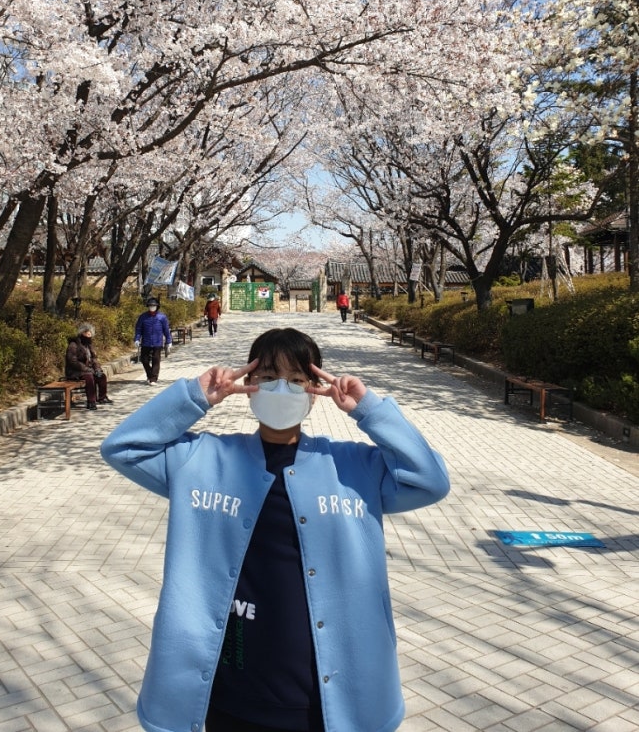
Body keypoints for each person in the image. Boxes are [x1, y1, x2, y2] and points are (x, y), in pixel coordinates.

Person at [101, 326, 449, 732]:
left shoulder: (355, 467)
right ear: (247, 386)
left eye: (297, 380)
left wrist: (368, 410)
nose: (281, 389)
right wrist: (195, 397)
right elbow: (122, 447)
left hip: (324, 698)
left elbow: (430, 480)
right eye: (267, 378)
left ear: (315, 391)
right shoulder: (202, 459)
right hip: (229, 687)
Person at [64, 323, 111, 410]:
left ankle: (102, 397)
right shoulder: (73, 345)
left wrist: (97, 369)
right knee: (89, 377)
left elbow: (94, 359)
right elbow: (73, 362)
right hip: (75, 371)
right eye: (87, 333)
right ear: (82, 333)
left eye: (90, 333)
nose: (89, 335)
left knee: (101, 376)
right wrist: (87, 369)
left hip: (87, 370)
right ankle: (91, 401)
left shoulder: (89, 345)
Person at [134, 296, 173, 385]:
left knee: (156, 359)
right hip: (146, 342)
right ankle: (149, 374)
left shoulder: (162, 317)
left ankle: (153, 378)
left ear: (157, 306)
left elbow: (166, 330)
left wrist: (168, 341)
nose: (152, 307)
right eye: (150, 306)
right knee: (144, 360)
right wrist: (136, 339)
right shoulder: (143, 317)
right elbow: (138, 329)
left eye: (153, 306)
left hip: (157, 342)